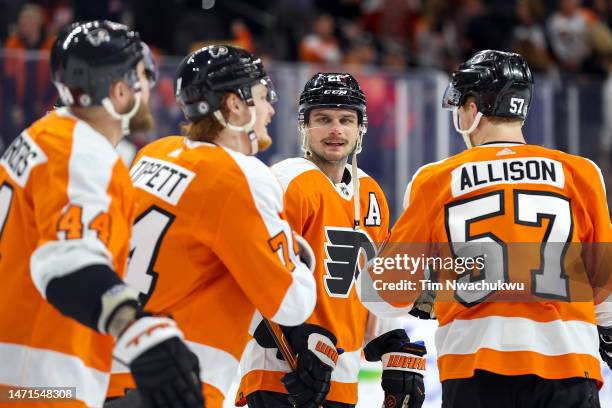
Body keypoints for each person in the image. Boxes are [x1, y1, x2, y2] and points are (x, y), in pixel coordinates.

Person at [359, 50, 611, 408]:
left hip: (473, 368)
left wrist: (427, 290)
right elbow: (606, 292)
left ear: (471, 109)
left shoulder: (434, 180)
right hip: (568, 363)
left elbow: (382, 294)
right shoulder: (582, 173)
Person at [0, 20, 204, 408]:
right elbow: (67, 261)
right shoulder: (82, 151)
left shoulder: (41, 137)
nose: (150, 88)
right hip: (40, 379)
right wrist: (138, 329)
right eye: (144, 76)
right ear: (120, 90)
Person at [106, 45, 319, 408]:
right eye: (263, 96)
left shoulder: (152, 153)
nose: (270, 109)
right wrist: (297, 258)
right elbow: (292, 304)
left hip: (109, 366)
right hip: (177, 385)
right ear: (235, 104)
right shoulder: (242, 175)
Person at [236, 73, 426, 408]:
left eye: (345, 120)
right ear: (304, 127)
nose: (335, 130)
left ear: (360, 128)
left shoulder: (371, 193)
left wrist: (391, 340)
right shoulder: (287, 181)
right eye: (323, 119)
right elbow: (246, 270)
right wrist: (294, 335)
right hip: (281, 374)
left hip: (342, 377)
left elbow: (372, 284)